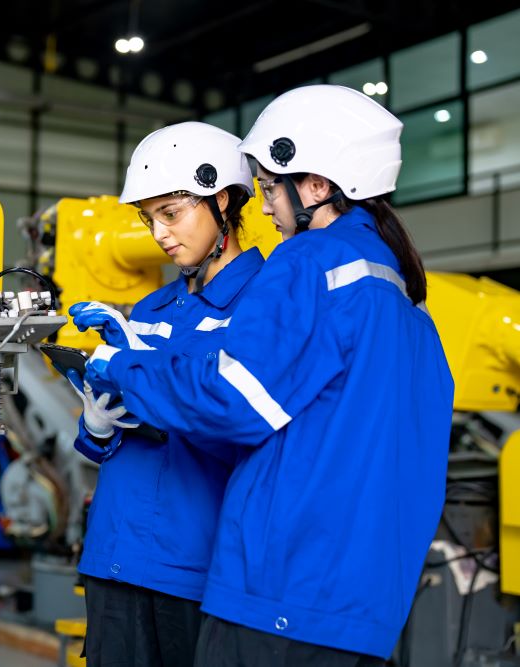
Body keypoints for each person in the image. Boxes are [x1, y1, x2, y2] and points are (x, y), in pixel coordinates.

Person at [83, 85, 454, 666]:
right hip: (356, 602)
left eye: (268, 187)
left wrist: (123, 367)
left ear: (317, 186)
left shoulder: (308, 263)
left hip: (280, 586)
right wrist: (101, 422)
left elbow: (233, 403)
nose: (264, 207)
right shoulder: (407, 304)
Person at [66, 122, 262, 667]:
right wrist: (98, 424)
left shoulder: (263, 305)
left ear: (222, 201)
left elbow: (241, 422)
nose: (159, 233)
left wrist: (143, 376)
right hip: (114, 554)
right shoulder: (151, 308)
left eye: (171, 213)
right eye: (149, 218)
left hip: (198, 565)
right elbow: (111, 440)